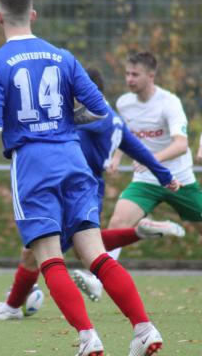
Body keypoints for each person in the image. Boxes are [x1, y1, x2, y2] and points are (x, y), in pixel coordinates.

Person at [0, 0, 177, 356]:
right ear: (33, 15)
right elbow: (99, 110)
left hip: (33, 164)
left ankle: (88, 338)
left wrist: (23, 123)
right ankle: (144, 328)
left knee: (49, 257)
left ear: (0, 17)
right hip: (72, 159)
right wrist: (62, 121)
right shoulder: (63, 57)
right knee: (96, 256)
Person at [0, 67, 183, 316]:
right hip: (86, 186)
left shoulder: (94, 118)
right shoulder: (114, 118)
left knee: (39, 250)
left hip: (72, 186)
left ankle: (13, 307)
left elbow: (58, 128)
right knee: (76, 247)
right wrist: (164, 175)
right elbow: (136, 148)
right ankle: (139, 233)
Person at [75, 51, 202, 303]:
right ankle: (98, 281)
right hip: (145, 182)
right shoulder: (124, 103)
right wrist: (115, 158)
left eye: (135, 74)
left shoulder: (170, 103)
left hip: (179, 180)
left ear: (151, 76)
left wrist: (151, 162)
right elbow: (123, 136)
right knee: (119, 220)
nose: (129, 79)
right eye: (127, 73)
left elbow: (180, 144)